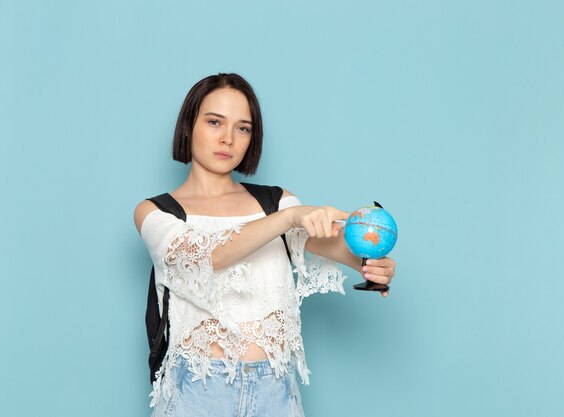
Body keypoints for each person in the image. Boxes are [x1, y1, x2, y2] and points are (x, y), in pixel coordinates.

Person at [133, 73, 396, 417]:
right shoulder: (156, 211)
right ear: (188, 127)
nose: (228, 138)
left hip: (276, 389)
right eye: (215, 122)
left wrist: (373, 266)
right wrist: (288, 219)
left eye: (243, 128)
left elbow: (337, 250)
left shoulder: (275, 202)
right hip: (198, 392)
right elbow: (210, 256)